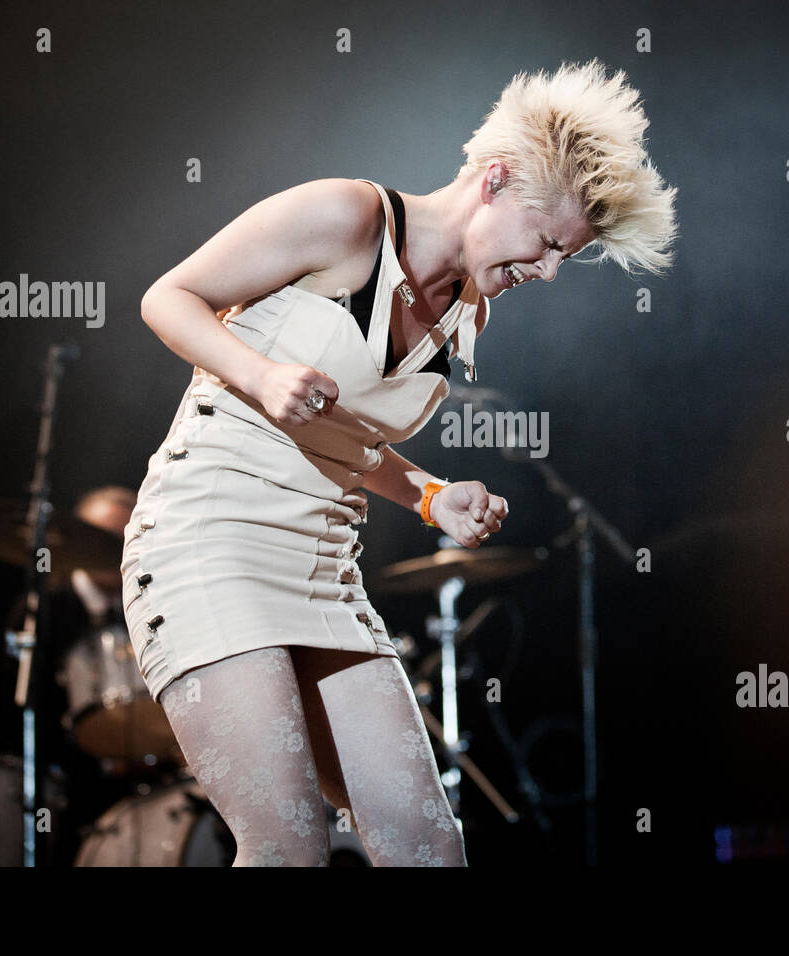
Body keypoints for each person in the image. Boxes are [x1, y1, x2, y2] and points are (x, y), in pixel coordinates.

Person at [121, 58, 678, 866]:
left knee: (427, 847)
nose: (551, 272)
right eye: (550, 243)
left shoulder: (470, 309)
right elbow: (167, 297)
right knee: (286, 845)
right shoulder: (348, 216)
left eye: (569, 257)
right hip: (210, 537)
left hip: (322, 571)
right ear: (496, 180)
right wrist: (260, 373)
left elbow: (345, 438)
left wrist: (431, 496)